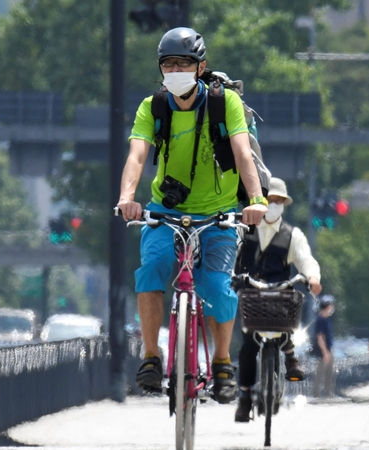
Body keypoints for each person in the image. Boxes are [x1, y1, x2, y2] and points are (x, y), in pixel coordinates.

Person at [116, 27, 267, 404]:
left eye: (184, 63)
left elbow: (243, 153)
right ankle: (152, 356)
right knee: (152, 268)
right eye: (168, 64)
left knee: (215, 286)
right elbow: (136, 155)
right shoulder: (153, 107)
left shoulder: (224, 103)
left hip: (218, 214)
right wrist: (127, 198)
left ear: (201, 67)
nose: (176, 70)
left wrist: (257, 201)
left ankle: (221, 361)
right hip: (165, 212)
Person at [232, 177, 323, 422]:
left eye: (278, 201)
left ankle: (290, 354)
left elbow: (305, 259)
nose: (273, 205)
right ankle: (245, 396)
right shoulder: (244, 228)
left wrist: (312, 277)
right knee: (249, 345)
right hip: (251, 293)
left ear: (283, 204)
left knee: (288, 317)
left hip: (279, 293)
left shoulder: (292, 235)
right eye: (269, 200)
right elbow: (230, 255)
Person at [313, 295, 335, 398]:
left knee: (329, 373)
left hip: (328, 350)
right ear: (327, 306)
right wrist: (325, 352)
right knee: (321, 373)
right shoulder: (321, 319)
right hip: (324, 351)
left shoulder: (326, 319)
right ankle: (317, 394)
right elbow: (320, 337)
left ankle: (328, 393)